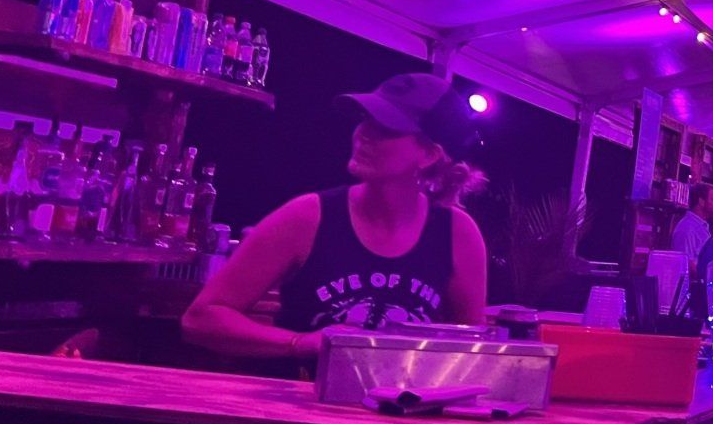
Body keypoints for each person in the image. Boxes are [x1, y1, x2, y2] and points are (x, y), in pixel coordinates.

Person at [182, 73, 487, 362]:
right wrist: (299, 343)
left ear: (429, 154)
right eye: (366, 119)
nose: (364, 133)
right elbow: (202, 317)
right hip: (302, 409)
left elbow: (471, 347)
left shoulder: (457, 233)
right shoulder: (307, 216)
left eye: (386, 127)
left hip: (403, 411)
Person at [673, 181, 713, 279]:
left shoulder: (702, 226)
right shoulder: (687, 228)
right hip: (691, 290)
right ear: (701, 202)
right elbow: (686, 264)